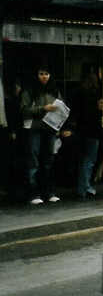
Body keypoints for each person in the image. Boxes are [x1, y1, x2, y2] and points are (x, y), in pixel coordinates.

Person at [20, 64, 67, 205]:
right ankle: (34, 193)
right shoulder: (29, 90)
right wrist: (43, 109)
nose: (44, 76)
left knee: (48, 161)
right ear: (36, 75)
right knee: (34, 161)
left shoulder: (54, 90)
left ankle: (49, 192)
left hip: (50, 128)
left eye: (46, 74)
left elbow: (61, 107)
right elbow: (24, 110)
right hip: (34, 128)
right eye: (41, 73)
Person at [70, 70, 103, 200]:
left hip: (80, 130)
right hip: (93, 130)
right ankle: (83, 188)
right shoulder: (96, 94)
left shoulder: (78, 92)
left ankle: (83, 187)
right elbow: (96, 112)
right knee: (89, 160)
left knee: (83, 159)